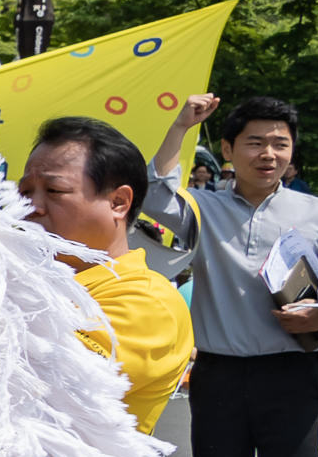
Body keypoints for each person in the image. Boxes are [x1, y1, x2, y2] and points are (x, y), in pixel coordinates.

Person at [150, 92, 318, 457]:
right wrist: (180, 126)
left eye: (280, 144)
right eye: (254, 143)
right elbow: (153, 195)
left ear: (292, 152)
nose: (268, 154)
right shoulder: (201, 207)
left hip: (292, 375)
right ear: (227, 149)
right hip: (218, 376)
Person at [17, 116, 192, 433]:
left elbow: (37, 381)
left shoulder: (148, 301)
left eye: (54, 190)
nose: (32, 206)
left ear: (118, 203)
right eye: (25, 191)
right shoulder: (30, 279)